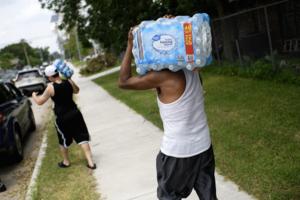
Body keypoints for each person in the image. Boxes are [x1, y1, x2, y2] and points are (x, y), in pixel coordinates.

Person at [118, 25, 217, 199]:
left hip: (179, 153)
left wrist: (129, 45)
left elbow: (123, 82)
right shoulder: (190, 68)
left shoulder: (163, 77)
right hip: (203, 147)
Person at [32, 65, 96, 170]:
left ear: (50, 77)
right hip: (75, 114)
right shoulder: (68, 81)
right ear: (58, 73)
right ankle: (91, 163)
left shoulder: (50, 87)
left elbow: (39, 102)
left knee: (63, 140)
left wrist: (34, 95)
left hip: (62, 117)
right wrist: (70, 79)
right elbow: (77, 91)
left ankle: (66, 162)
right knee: (82, 138)